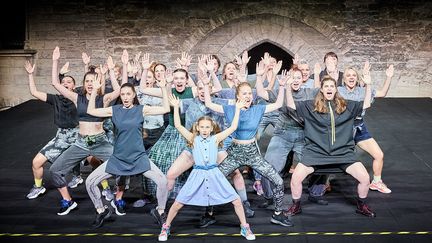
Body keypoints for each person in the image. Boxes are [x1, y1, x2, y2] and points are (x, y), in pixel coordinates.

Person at [157, 94, 255, 241]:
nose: (204, 129)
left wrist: (238, 109)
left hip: (215, 174)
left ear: (211, 128)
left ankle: (245, 227)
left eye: (207, 127)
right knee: (178, 203)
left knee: (236, 200)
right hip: (197, 174)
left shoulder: (215, 139)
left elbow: (234, 127)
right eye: (201, 127)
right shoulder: (193, 139)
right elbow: (178, 125)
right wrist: (176, 107)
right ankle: (166, 227)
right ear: (197, 127)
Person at [204, 74, 293, 227]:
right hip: (235, 153)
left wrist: (283, 86)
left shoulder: (258, 109)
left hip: (252, 153)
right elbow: (208, 103)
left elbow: (278, 103)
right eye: (244, 93)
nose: (248, 96)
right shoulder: (229, 109)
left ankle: (278, 214)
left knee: (278, 181)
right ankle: (208, 214)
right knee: (212, 181)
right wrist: (206, 85)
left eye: (249, 93)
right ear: (237, 96)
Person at [285, 75, 376, 217]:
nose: (329, 88)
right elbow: (291, 105)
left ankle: (361, 205)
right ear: (321, 89)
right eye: (326, 86)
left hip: (343, 153)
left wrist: (368, 85)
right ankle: (296, 205)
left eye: (331, 86)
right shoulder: (311, 105)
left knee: (364, 178)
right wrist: (287, 87)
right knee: (296, 178)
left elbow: (366, 104)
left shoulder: (346, 105)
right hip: (315, 152)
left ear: (335, 90)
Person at [48, 47, 124, 215]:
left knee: (123, 166)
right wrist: (55, 61)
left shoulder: (103, 99)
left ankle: (118, 199)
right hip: (81, 143)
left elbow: (119, 90)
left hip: (100, 142)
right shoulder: (77, 98)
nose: (90, 83)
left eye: (93, 80)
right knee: (54, 170)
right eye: (87, 80)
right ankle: (67, 201)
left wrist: (111, 70)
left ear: (98, 83)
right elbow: (55, 83)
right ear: (84, 84)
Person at [86, 77, 170, 228]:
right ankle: (101, 210)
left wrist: (163, 87)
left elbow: (165, 108)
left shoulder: (141, 109)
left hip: (138, 157)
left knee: (163, 181)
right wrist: (94, 92)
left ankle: (160, 211)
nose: (125, 97)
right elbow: (91, 111)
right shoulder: (115, 110)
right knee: (90, 182)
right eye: (123, 94)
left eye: (128, 94)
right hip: (118, 158)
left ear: (133, 95)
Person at [24, 61, 79, 199]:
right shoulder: (56, 99)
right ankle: (38, 186)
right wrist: (30, 74)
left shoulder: (80, 97)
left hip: (78, 136)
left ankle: (105, 188)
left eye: (69, 81)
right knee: (36, 163)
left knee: (94, 161)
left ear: (74, 86)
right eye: (64, 81)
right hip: (61, 137)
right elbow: (34, 92)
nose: (66, 83)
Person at [338, 63, 394, 193]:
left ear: (357, 79)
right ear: (344, 79)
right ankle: (324, 182)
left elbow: (382, 93)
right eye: (348, 75)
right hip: (342, 129)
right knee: (332, 157)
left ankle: (376, 182)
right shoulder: (338, 91)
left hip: (359, 127)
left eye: (353, 75)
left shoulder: (363, 91)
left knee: (379, 155)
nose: (351, 77)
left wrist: (389, 77)